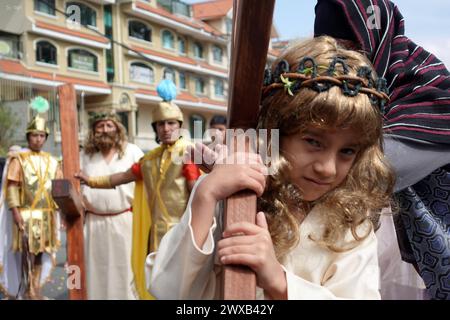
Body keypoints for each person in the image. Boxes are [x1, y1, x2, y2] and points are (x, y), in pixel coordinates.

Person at [145, 36, 395, 300]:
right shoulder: (229, 200)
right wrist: (205, 196)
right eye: (313, 142)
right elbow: (169, 289)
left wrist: (279, 281)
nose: (327, 168)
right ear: (276, 134)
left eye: (347, 151)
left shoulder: (353, 227)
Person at [314, 0, 450, 300]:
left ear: (375, 40)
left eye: (350, 47)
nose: (342, 62)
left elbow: (366, 172)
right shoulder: (366, 95)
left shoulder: (427, 94)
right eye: (329, 50)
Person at [76, 80, 202, 299]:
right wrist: (90, 180)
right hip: (155, 236)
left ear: (179, 125)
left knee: (183, 288)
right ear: (155, 128)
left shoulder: (188, 153)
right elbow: (122, 177)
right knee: (157, 284)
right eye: (160, 124)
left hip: (182, 232)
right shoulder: (149, 160)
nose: (166, 129)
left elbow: (196, 190)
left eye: (171, 123)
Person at [80, 112, 144, 300]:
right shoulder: (84, 155)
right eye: (100, 126)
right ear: (93, 131)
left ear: (117, 128)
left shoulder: (133, 152)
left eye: (109, 125)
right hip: (93, 224)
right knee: (95, 272)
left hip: (124, 222)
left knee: (125, 271)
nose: (105, 130)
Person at [0, 115, 62, 299]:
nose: (38, 139)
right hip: (26, 214)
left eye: (42, 135)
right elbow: (12, 187)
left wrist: (63, 214)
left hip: (46, 216)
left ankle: (34, 289)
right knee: (27, 253)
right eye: (35, 135)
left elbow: (59, 188)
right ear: (28, 137)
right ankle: (27, 289)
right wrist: (16, 213)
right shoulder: (19, 159)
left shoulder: (53, 161)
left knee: (40, 253)